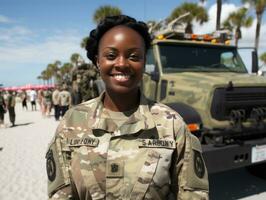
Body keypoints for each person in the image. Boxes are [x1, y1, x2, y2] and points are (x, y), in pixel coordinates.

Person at [46, 15, 209, 200]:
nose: (122, 64)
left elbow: (193, 194)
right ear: (97, 61)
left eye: (133, 56)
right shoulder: (72, 122)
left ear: (143, 63)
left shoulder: (171, 124)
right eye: (111, 55)